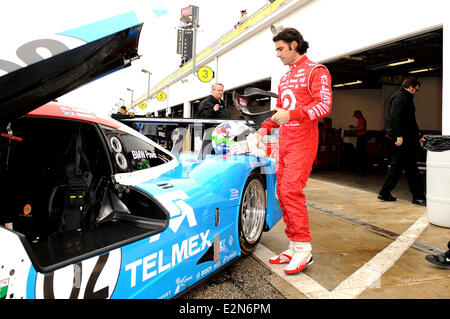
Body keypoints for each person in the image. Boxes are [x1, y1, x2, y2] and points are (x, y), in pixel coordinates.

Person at [257, 27, 332, 274]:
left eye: (280, 49)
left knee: (291, 191)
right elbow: (280, 110)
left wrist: (293, 114)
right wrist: (264, 129)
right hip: (284, 142)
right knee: (281, 191)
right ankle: (293, 243)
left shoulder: (316, 70)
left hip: (303, 142)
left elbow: (324, 106)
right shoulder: (286, 76)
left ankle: (304, 249)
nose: (277, 54)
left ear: (294, 45)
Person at [378, 76, 426, 206]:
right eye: (416, 89)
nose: (416, 92)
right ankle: (418, 197)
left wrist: (418, 135)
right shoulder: (400, 97)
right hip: (400, 138)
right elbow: (395, 117)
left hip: (405, 137)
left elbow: (411, 120)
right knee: (410, 167)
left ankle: (385, 192)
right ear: (411, 87)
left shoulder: (407, 98)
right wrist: (399, 136)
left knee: (398, 166)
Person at [349, 110, 368, 174]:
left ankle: (361, 169)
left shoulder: (362, 119)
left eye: (356, 115)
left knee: (360, 153)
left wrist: (353, 129)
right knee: (359, 153)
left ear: (358, 114)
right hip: (360, 137)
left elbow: (362, 128)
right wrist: (354, 127)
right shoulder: (360, 120)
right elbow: (359, 127)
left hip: (362, 137)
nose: (355, 117)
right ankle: (359, 168)